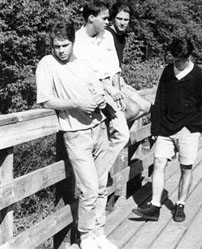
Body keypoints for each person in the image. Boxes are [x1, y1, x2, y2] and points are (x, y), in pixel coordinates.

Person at [36, 20, 117, 249]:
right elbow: (45, 100)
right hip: (76, 133)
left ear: (73, 42)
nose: (60, 50)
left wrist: (100, 98)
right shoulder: (47, 65)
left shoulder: (83, 63)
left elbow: (97, 89)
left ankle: (99, 232)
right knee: (89, 188)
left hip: (99, 128)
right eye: (56, 46)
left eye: (65, 45)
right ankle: (86, 236)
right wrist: (76, 104)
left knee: (101, 185)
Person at [132, 38, 202, 222]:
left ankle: (180, 204)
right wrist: (156, 129)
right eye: (174, 59)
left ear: (189, 56)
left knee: (186, 168)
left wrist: (193, 127)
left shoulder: (200, 76)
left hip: (188, 130)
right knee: (159, 164)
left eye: (180, 60)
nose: (177, 63)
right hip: (166, 128)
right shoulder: (168, 72)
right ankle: (155, 206)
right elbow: (160, 100)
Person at [73, 0, 130, 181]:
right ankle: (94, 182)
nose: (108, 22)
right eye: (104, 18)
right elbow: (85, 76)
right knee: (96, 142)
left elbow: (114, 68)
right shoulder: (77, 41)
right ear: (91, 18)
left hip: (109, 89)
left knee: (123, 135)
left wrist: (117, 91)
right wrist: (108, 88)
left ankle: (96, 176)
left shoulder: (106, 36)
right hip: (91, 92)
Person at [106, 1, 151, 121]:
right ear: (113, 18)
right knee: (132, 109)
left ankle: (120, 128)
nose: (122, 23)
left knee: (147, 107)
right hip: (108, 81)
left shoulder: (122, 36)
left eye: (126, 20)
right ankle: (110, 130)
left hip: (119, 79)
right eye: (119, 19)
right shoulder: (106, 35)